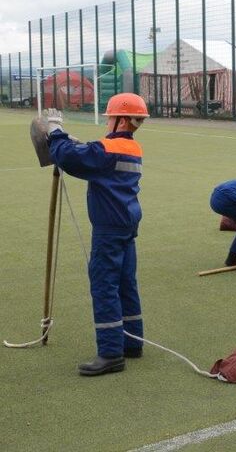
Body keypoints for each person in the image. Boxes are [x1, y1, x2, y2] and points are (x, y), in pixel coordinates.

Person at [46, 93, 150, 376]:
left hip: (109, 227)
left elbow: (67, 157)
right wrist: (81, 145)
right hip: (127, 223)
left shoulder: (108, 149)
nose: (107, 122)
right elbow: (95, 157)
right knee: (126, 283)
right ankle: (132, 342)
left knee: (104, 285)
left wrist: (56, 132)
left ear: (121, 119)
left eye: (110, 118)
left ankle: (110, 353)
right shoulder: (132, 147)